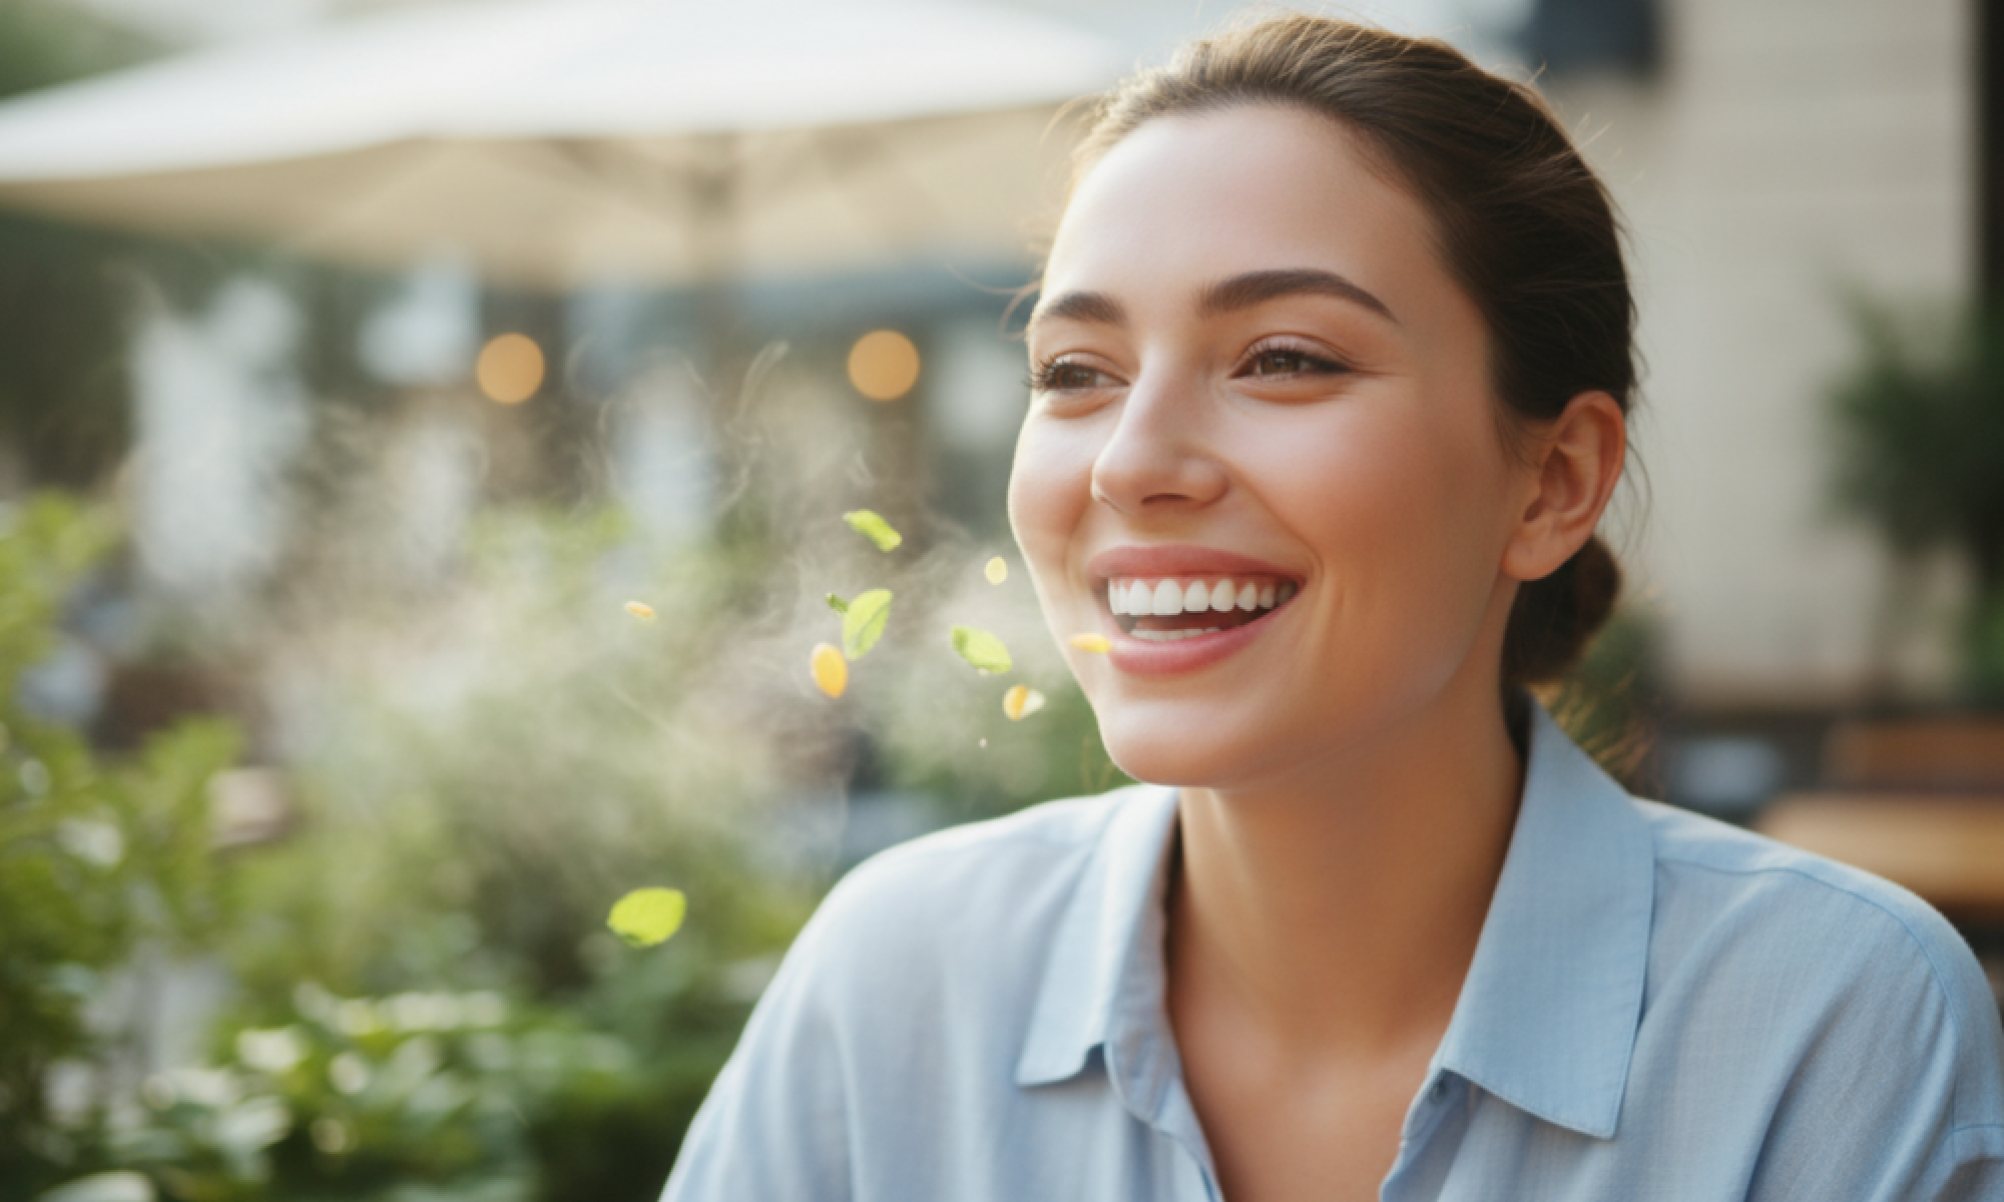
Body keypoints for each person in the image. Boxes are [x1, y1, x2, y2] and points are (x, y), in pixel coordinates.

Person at [663, 15, 2004, 1201]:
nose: (1131, 459)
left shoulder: (1828, 1023)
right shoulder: (897, 981)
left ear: (1552, 479)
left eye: (1286, 357)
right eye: (1077, 370)